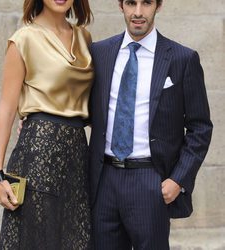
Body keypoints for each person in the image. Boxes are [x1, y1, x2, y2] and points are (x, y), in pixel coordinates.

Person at [89, 0, 213, 249]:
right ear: (120, 5)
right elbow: (81, 107)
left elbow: (200, 128)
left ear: (159, 5)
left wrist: (178, 180)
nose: (138, 12)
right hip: (104, 179)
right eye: (131, 3)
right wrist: (35, 117)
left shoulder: (182, 58)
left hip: (150, 180)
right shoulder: (99, 53)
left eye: (146, 3)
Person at [0, 0, 93, 249]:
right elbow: (6, 109)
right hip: (38, 155)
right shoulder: (23, 39)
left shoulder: (84, 38)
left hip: (78, 157)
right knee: (39, 240)